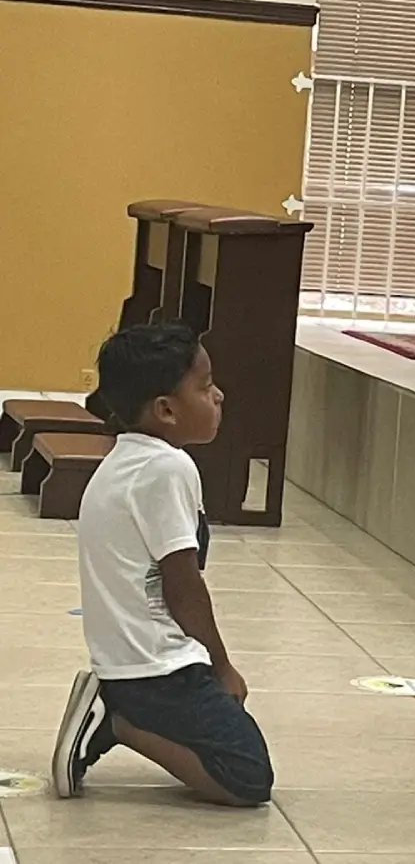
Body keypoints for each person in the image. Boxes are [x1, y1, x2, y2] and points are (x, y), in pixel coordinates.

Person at [51, 321, 273, 804]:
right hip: (153, 669)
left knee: (236, 742)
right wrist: (221, 665)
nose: (219, 396)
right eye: (205, 385)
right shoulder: (166, 469)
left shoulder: (129, 458)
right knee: (247, 777)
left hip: (134, 660)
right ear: (166, 410)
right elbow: (183, 587)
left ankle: (119, 709)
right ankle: (117, 720)